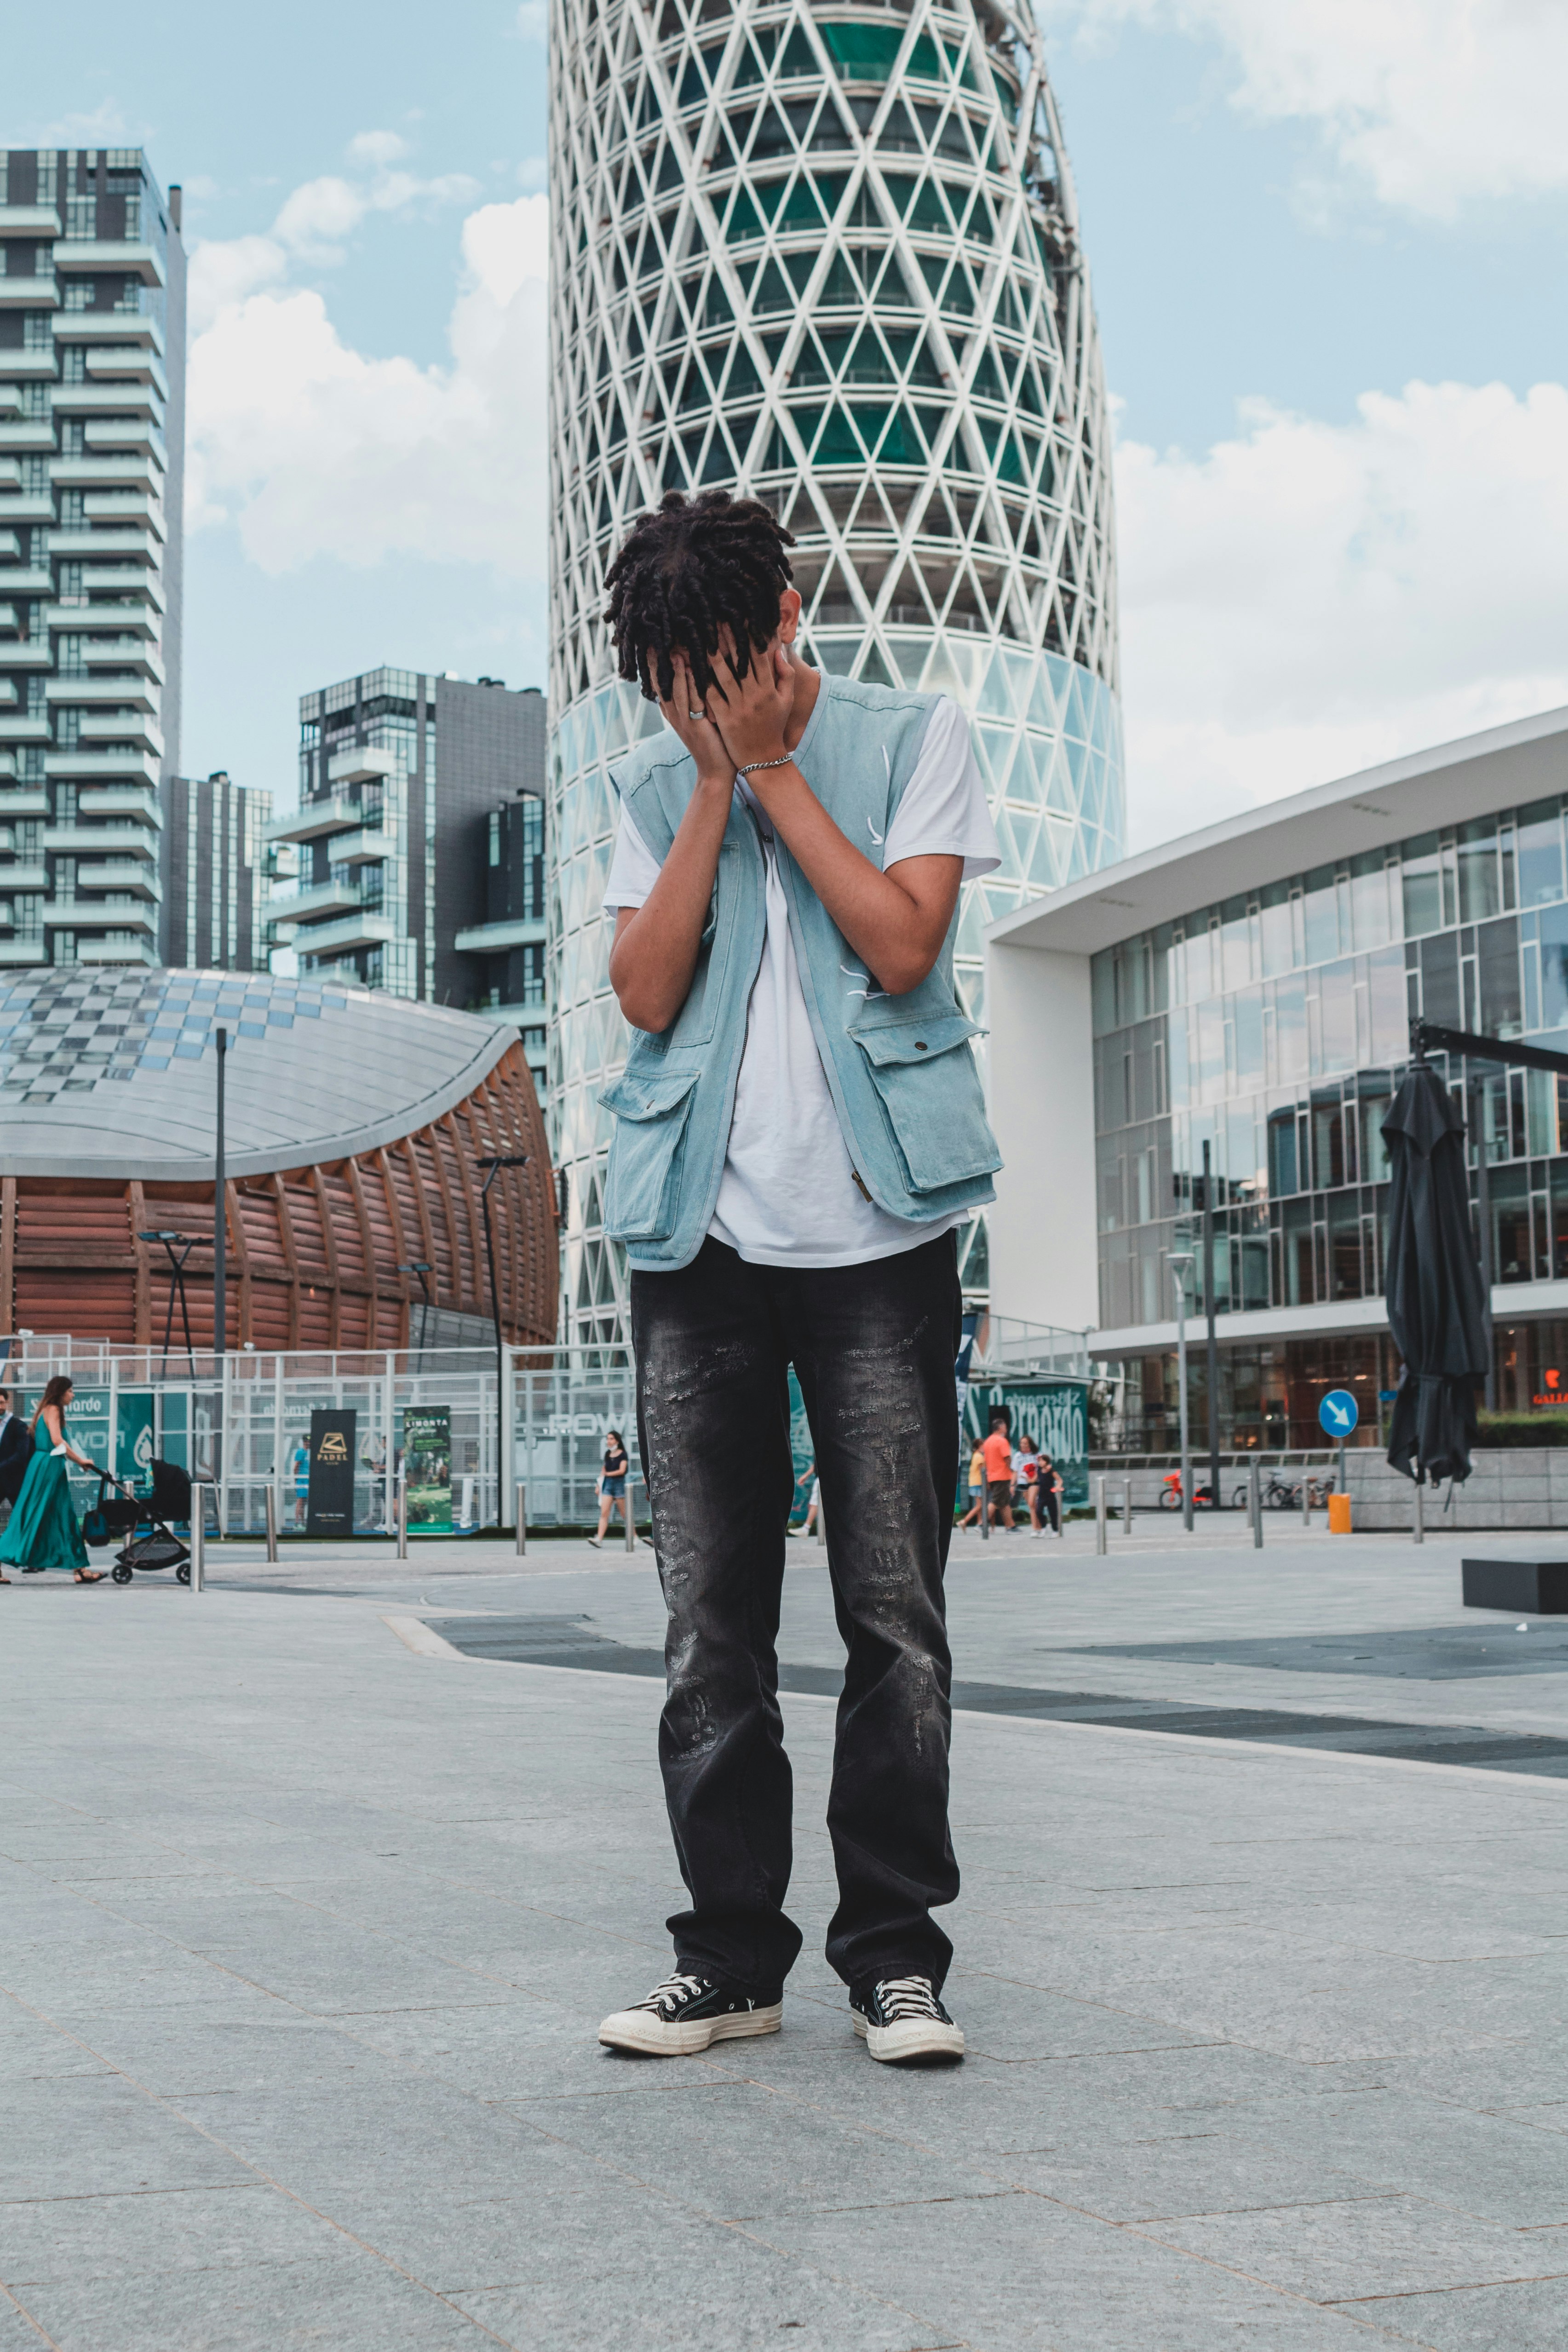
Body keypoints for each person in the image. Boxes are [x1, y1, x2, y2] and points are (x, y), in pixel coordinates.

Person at [592, 487, 1001, 2066]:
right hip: (697, 1239)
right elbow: (640, 991)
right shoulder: (641, 781)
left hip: (879, 1238)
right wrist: (705, 787)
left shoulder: (913, 737)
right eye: (664, 685)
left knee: (893, 1614)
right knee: (710, 1626)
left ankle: (893, 1954)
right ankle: (729, 1957)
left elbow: (900, 943)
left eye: (713, 669)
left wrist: (770, 768)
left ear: (780, 624)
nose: (687, 704)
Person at [0, 1377, 129, 1583]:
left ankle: (80, 1569)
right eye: (70, 1391)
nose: (73, 1394)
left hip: (46, 1466)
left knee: (60, 1518)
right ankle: (80, 1569)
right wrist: (80, 1460)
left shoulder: (46, 1409)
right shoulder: (53, 1409)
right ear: (60, 1393)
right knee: (38, 1518)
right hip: (49, 1467)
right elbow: (57, 1441)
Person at [589, 1429, 637, 1549]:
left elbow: (622, 1471)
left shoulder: (623, 1454)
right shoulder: (607, 1454)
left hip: (619, 1485)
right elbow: (603, 1471)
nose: (609, 1441)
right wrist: (598, 1485)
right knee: (604, 1513)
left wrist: (608, 1475)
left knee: (624, 1514)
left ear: (617, 1440)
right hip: (608, 1486)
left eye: (611, 1439)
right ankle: (599, 1539)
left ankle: (635, 1536)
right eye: (608, 1439)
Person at [980, 1410, 1015, 1531]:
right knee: (995, 1501)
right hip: (1003, 1475)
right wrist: (1013, 1470)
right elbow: (1007, 1458)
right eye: (1005, 1426)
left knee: (1004, 1503)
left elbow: (986, 1461)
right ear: (1000, 1427)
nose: (1006, 1428)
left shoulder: (988, 1442)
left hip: (992, 1475)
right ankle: (982, 1524)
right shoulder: (1002, 1441)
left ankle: (1011, 1526)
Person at [786, 1458, 820, 1538]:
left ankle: (806, 1528)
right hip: (823, 1477)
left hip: (821, 1478)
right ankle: (806, 1528)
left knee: (815, 1503)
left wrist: (805, 1476)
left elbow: (818, 1463)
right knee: (815, 1503)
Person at [957, 1441, 986, 1529]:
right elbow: (983, 1471)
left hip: (973, 1483)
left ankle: (980, 1524)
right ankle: (964, 1521)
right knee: (980, 1505)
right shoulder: (979, 1457)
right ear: (979, 1446)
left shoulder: (975, 1455)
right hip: (978, 1483)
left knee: (979, 1505)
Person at [1037, 1452, 1063, 1537]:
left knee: (1053, 1513)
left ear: (1046, 1462)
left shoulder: (1051, 1471)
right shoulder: (1039, 1471)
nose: (1040, 1462)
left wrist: (1058, 1487)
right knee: (1039, 1511)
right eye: (1039, 1461)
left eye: (1042, 1461)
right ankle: (1044, 1527)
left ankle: (1055, 1530)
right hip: (1041, 1495)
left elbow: (1059, 1480)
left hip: (1050, 1495)